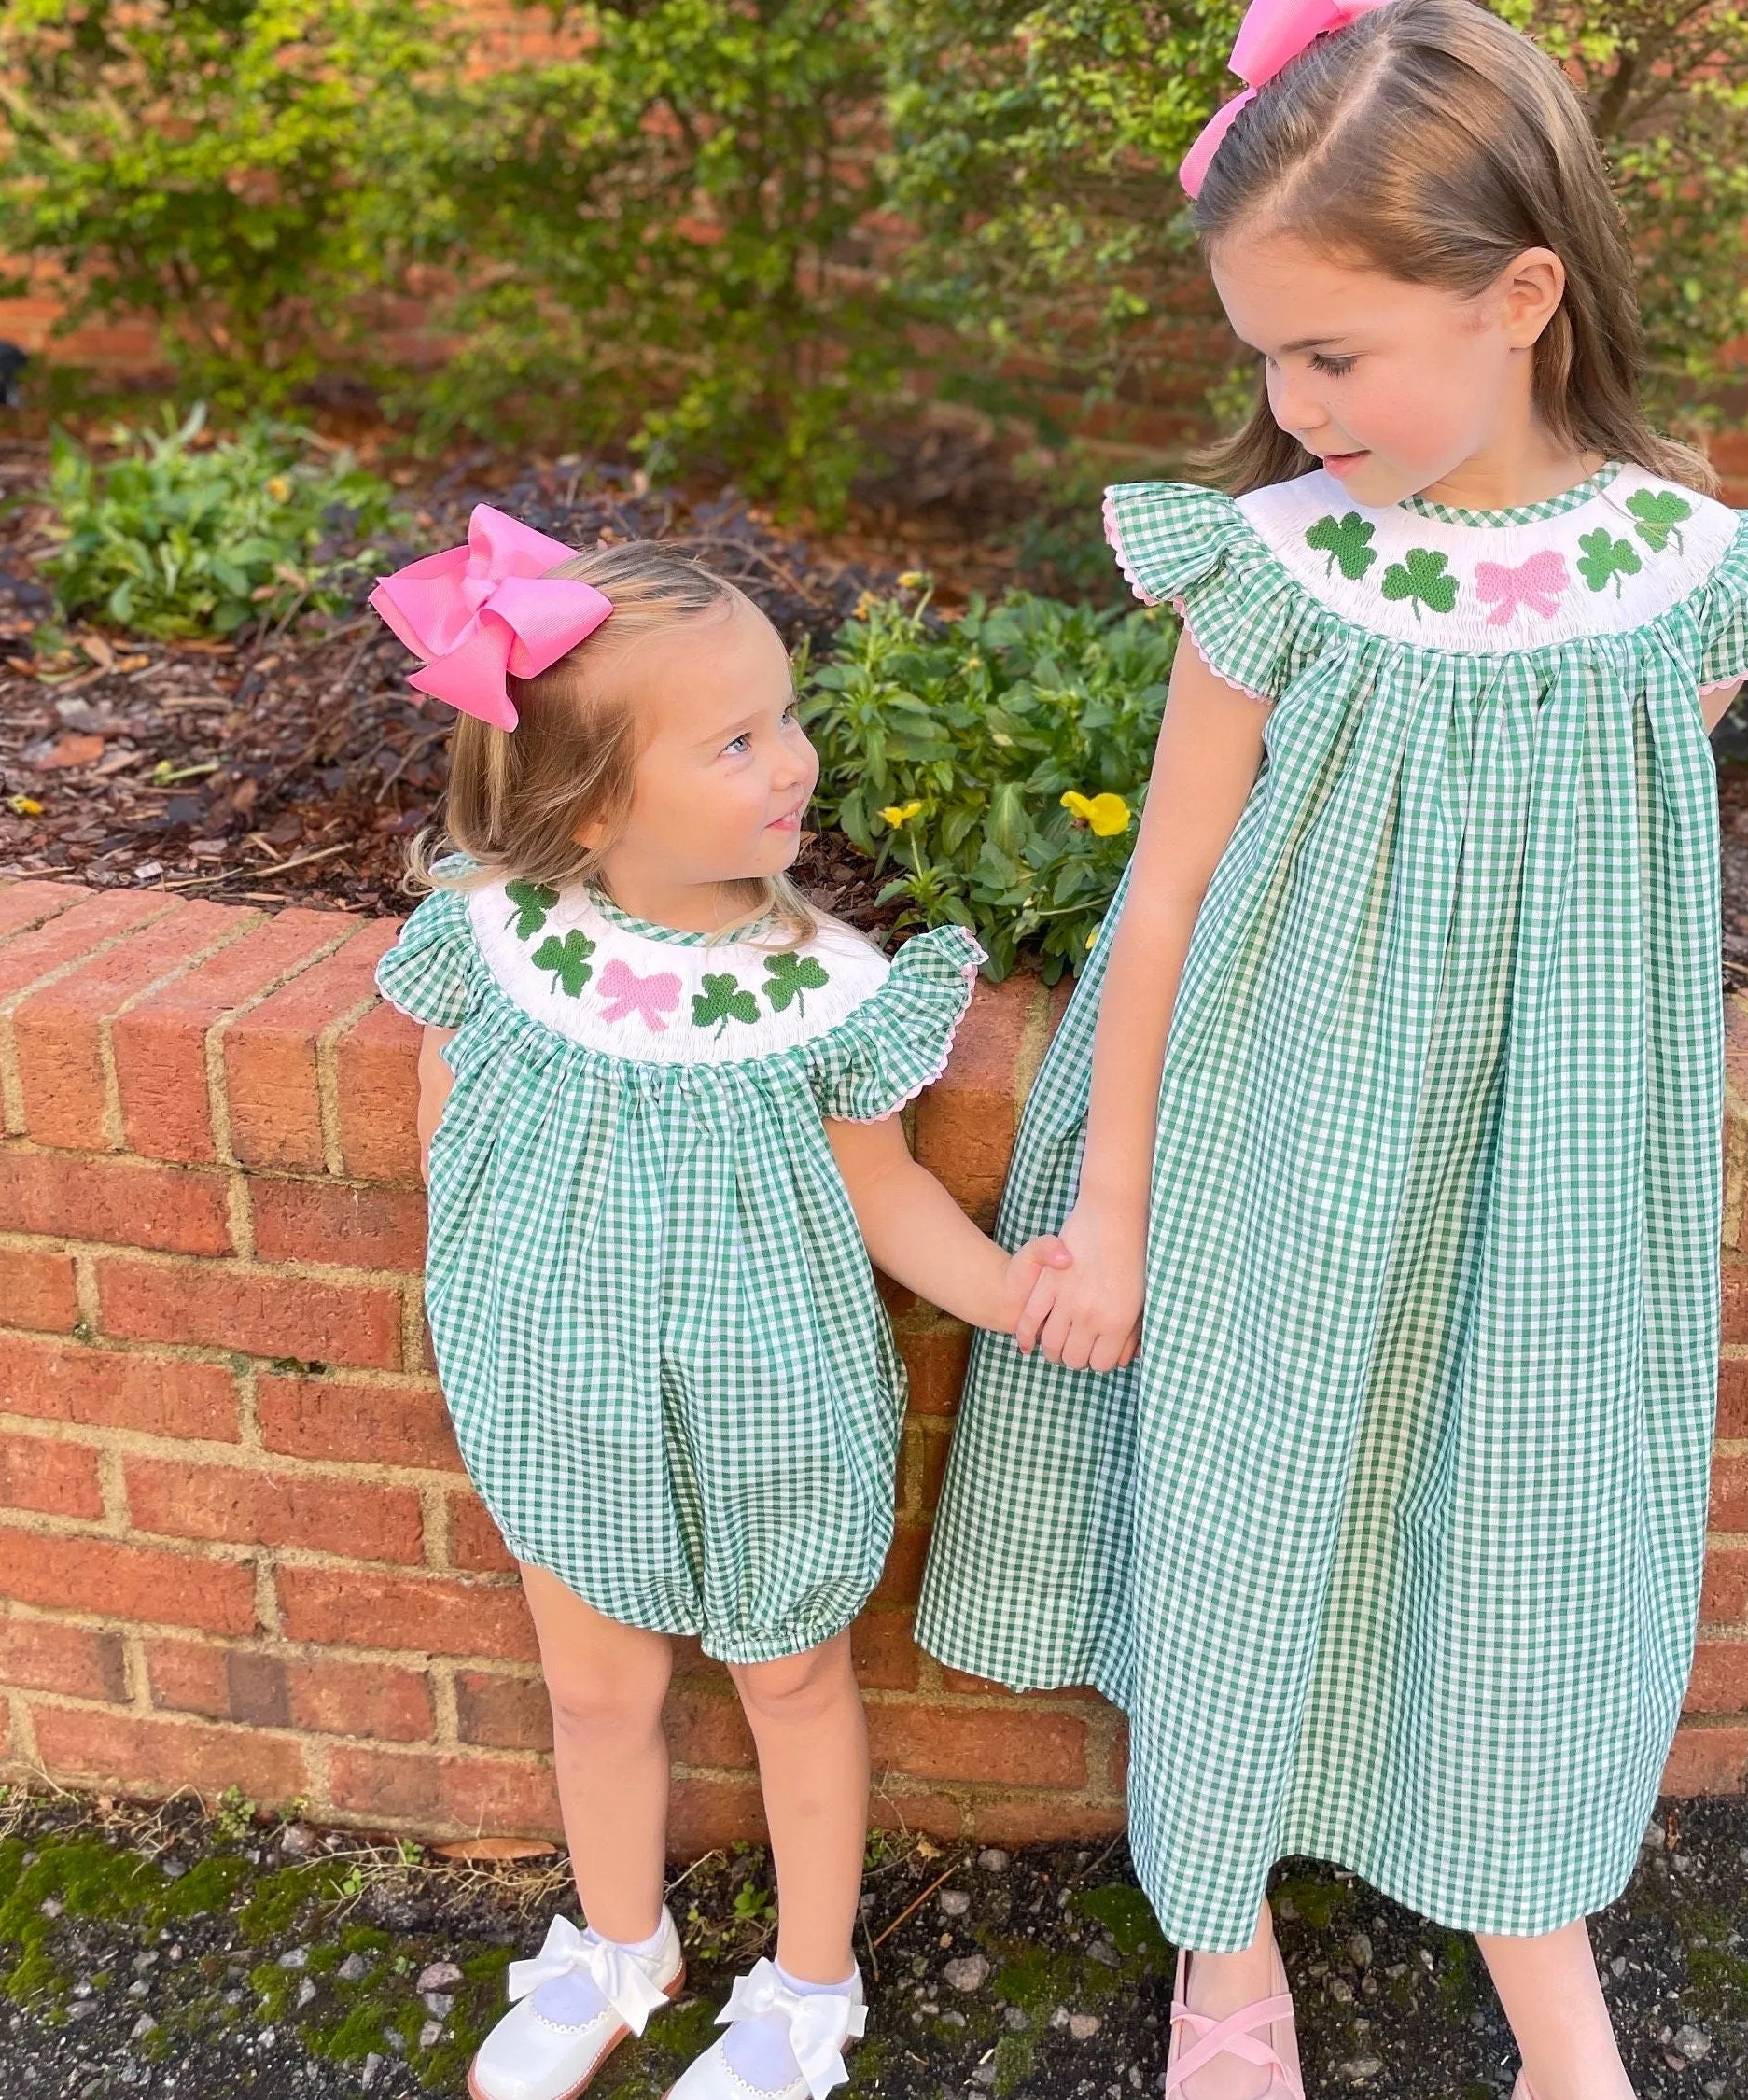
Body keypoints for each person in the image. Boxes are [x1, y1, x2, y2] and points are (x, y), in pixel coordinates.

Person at [916, 5, 1748, 2096]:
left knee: (1525, 1548)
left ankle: (1554, 2014)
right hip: (1268, 1142)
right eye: (1263, 355)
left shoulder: (1683, 591)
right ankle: (1223, 1949)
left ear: (1522, 298)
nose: (1289, 402)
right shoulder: (1280, 568)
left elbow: (1591, 910)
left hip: (1545, 1173)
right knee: (1241, 1520)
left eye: (1332, 356)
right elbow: (1161, 891)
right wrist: (1121, 1204)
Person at [367, 509, 1069, 2100]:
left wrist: (1016, 1295)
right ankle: (622, 1942)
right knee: (598, 1688)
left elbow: (885, 1194)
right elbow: (450, 1141)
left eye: (790, 716)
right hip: (564, 1390)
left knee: (791, 1675)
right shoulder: (496, 944)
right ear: (594, 798)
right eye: (739, 738)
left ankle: (808, 1982)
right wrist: (503, 1313)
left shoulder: (819, 984)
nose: (794, 760)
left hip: (778, 1404)